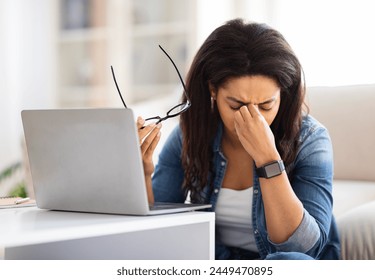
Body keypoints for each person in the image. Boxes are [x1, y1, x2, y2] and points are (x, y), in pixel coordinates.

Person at [137, 18, 340, 260]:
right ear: (213, 90)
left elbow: (305, 250)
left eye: (266, 105)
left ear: (282, 95)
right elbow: (158, 233)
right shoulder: (191, 134)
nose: (252, 118)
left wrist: (268, 159)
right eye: (236, 105)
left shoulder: (311, 139)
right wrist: (142, 173)